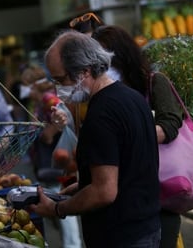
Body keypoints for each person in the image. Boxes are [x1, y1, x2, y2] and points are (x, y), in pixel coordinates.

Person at [30, 30, 161, 248]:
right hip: (146, 226)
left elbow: (104, 192)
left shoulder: (101, 114)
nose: (58, 89)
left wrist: (57, 209)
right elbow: (130, 167)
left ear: (84, 71)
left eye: (61, 80)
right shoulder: (133, 98)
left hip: (120, 235)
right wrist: (84, 185)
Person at [91, 25, 184, 248]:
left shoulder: (153, 81)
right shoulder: (101, 92)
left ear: (120, 53)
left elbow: (171, 124)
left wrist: (133, 137)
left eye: (104, 55)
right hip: (125, 193)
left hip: (159, 189)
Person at [21, 64, 83, 248]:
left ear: (32, 85)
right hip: (49, 164)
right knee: (56, 205)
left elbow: (63, 117)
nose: (22, 89)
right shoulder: (37, 104)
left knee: (62, 207)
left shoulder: (48, 100)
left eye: (25, 84)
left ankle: (73, 246)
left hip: (58, 164)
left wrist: (50, 131)